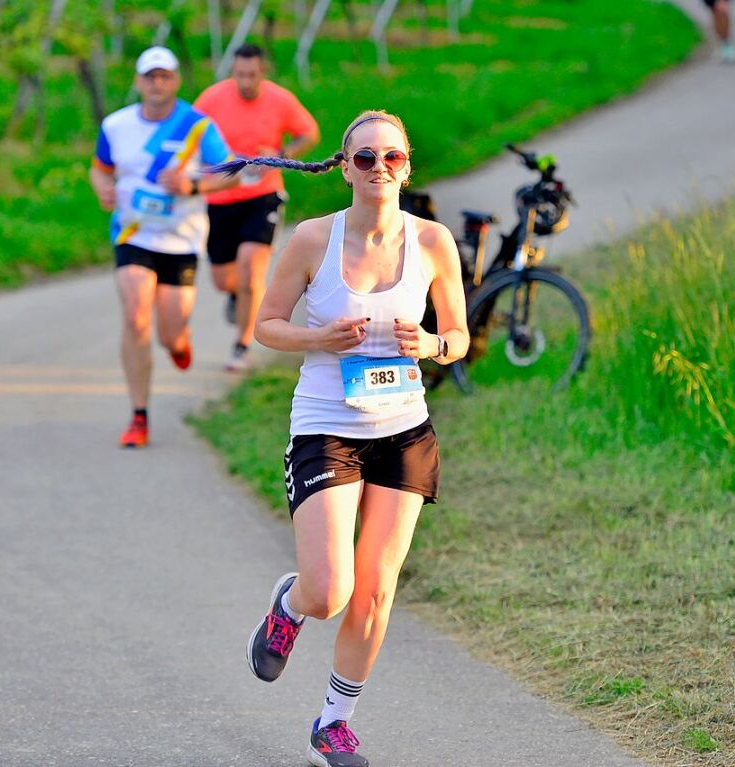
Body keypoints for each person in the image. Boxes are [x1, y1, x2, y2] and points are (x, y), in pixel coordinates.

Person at [212, 110, 468, 767]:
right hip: (327, 423)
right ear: (344, 165)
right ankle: (290, 605)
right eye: (365, 158)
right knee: (330, 589)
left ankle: (334, 721)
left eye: (391, 157)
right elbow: (267, 324)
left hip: (404, 427)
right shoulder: (311, 240)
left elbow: (460, 338)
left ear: (407, 166)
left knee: (376, 588)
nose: (379, 168)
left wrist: (434, 343)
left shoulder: (434, 242)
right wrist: (318, 338)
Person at [89, 46, 237, 448]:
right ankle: (139, 415)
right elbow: (100, 169)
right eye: (149, 76)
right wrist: (103, 188)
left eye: (164, 76)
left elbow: (231, 174)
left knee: (170, 332)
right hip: (132, 234)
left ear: (175, 80)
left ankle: (178, 342)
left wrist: (193, 185)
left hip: (181, 239)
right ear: (138, 82)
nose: (157, 83)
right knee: (136, 318)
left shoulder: (197, 126)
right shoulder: (115, 125)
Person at [194, 44, 320, 373]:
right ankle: (236, 295)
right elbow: (187, 137)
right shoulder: (211, 100)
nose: (245, 82)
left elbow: (309, 133)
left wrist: (279, 152)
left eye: (251, 75)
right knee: (224, 280)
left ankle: (242, 344)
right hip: (221, 198)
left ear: (263, 72)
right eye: (239, 75)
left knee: (252, 272)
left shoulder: (280, 100)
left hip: (262, 196)